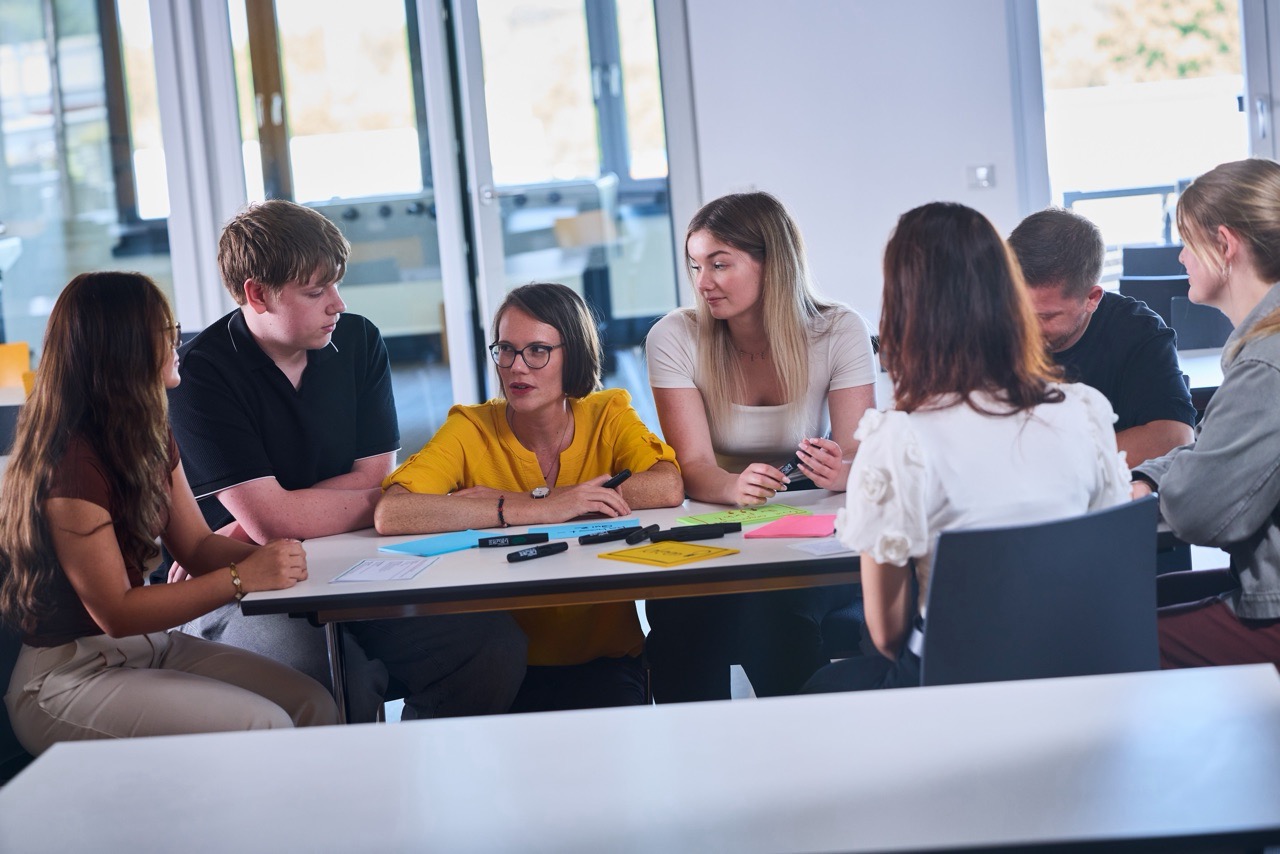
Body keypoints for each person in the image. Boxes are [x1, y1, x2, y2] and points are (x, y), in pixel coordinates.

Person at [168, 200, 526, 722]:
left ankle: (417, 778)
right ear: (257, 294)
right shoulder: (200, 374)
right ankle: (356, 798)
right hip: (237, 582)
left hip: (351, 564)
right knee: (337, 681)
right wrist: (398, 505)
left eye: (336, 285)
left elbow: (370, 476)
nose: (336, 304)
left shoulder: (357, 340)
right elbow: (278, 520)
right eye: (316, 292)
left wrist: (266, 518)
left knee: (491, 646)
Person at [0, 272, 337, 754]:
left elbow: (198, 547)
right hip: (67, 676)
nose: (179, 340)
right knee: (262, 728)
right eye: (165, 330)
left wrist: (292, 561)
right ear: (125, 346)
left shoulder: (146, 434)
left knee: (313, 705)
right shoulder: (71, 464)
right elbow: (115, 612)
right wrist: (245, 578)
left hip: (145, 647)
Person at [804, 202, 1130, 693]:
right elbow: (1105, 557)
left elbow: (887, 633)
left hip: (959, 687)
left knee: (821, 688)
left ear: (905, 311)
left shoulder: (899, 440)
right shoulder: (1084, 411)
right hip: (1079, 675)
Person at [376, 282, 683, 712]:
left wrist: (548, 497)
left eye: (537, 351)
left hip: (606, 661)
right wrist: (536, 507)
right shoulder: (471, 427)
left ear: (572, 354)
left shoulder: (607, 413)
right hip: (499, 665)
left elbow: (667, 485)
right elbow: (393, 513)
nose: (517, 367)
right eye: (505, 349)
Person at [643, 191, 878, 702]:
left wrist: (840, 472)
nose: (703, 282)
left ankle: (806, 762)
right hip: (720, 525)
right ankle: (697, 765)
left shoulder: (840, 330)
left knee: (775, 614)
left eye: (720, 264)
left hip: (814, 533)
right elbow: (694, 466)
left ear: (772, 262)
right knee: (678, 617)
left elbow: (862, 460)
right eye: (696, 265)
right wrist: (731, 485)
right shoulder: (673, 336)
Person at [1131, 158, 1280, 669]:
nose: (1180, 257)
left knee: (1099, 634)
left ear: (1224, 244)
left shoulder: (1266, 361)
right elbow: (1214, 451)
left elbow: (1200, 511)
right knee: (1133, 601)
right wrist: (1149, 478)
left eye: (1187, 242)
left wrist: (1135, 494)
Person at [1008, 207, 1196, 466]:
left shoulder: (1138, 331)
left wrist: (1052, 462)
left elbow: (1174, 436)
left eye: (1045, 317)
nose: (1025, 328)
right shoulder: (987, 325)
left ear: (1092, 298)